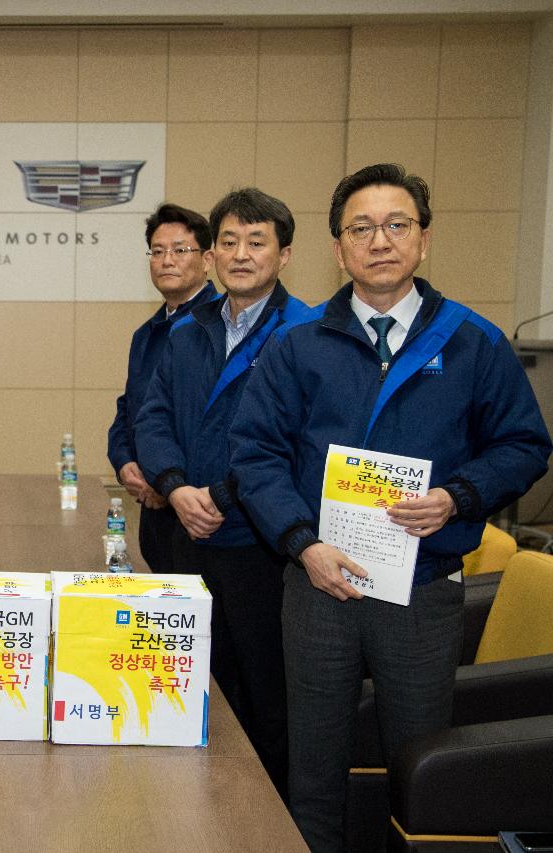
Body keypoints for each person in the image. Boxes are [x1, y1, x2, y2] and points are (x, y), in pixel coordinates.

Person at [229, 163, 551, 852]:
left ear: (424, 239)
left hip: (424, 589)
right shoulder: (299, 343)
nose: (381, 241)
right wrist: (301, 543)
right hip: (318, 584)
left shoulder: (471, 340)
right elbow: (254, 454)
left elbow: (525, 444)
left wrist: (457, 496)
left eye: (397, 225)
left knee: (417, 768)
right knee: (312, 772)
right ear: (339, 247)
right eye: (362, 228)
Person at [134, 187, 309, 797]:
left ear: (284, 254)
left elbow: (295, 443)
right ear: (212, 255)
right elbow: (151, 418)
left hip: (261, 547)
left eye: (257, 242)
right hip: (188, 536)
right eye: (229, 241)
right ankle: (201, 811)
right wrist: (177, 487)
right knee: (193, 685)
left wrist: (223, 498)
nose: (241, 254)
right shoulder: (188, 331)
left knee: (263, 699)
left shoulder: (307, 333)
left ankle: (261, 820)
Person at [106, 203, 218, 573]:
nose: (167, 260)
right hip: (153, 510)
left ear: (207, 260)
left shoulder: (222, 329)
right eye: (157, 251)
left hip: (204, 512)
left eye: (180, 250)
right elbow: (131, 408)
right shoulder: (146, 333)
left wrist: (164, 478)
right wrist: (125, 463)